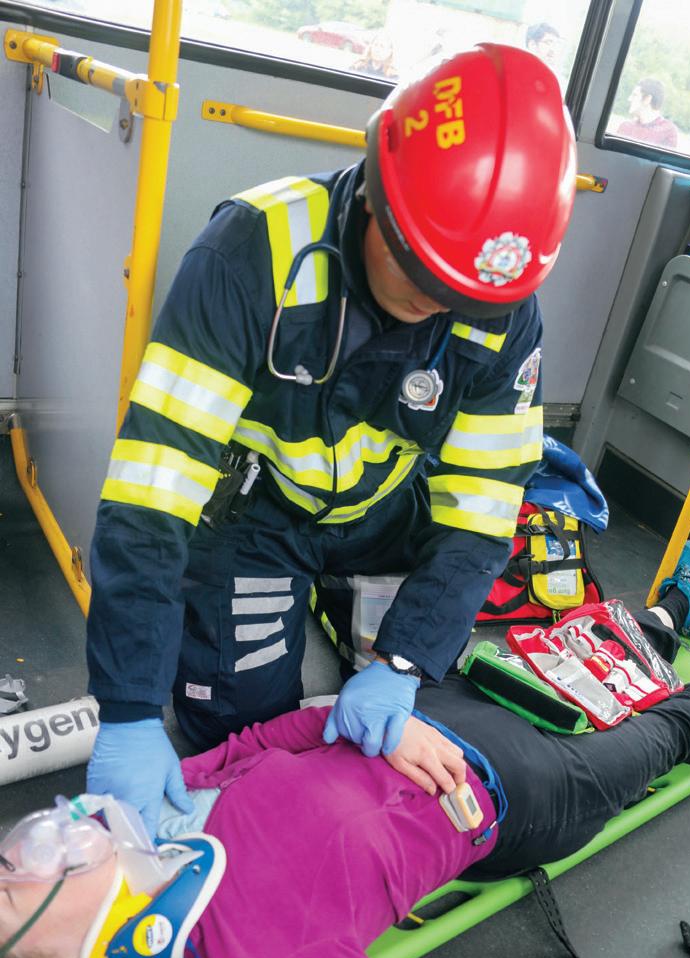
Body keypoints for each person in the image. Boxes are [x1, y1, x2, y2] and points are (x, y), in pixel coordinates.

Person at [3, 544, 690, 958]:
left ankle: (672, 616)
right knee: (671, 732)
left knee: (570, 655)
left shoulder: (152, 810)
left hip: (417, 718)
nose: (20, 855)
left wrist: (364, 716)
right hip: (523, 794)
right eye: (10, 889)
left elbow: (259, 741)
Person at [84, 43, 578, 837]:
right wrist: (128, 708)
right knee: (239, 729)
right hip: (257, 516)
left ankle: (354, 627)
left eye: (460, 299)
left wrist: (403, 664)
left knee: (433, 689)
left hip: (383, 513)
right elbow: (152, 494)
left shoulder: (501, 309)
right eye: (420, 274)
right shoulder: (251, 253)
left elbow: (482, 511)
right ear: (376, 190)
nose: (435, 306)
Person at [615, 78, 679, 149]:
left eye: (634, 95)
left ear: (647, 99)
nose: (629, 99)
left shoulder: (668, 131)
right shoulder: (625, 127)